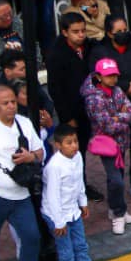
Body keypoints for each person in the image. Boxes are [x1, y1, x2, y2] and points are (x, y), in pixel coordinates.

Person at [0, 82, 46, 261]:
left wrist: (30, 157)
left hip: (21, 195)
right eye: (5, 103)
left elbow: (40, 152)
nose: (11, 106)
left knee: (32, 237)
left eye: (13, 101)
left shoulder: (24, 123)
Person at [91, 14, 131, 199]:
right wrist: (126, 86)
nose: (123, 34)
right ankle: (117, 188)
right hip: (113, 110)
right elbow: (96, 79)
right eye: (118, 31)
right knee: (116, 150)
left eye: (125, 30)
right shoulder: (100, 51)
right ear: (109, 33)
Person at [41, 125, 107, 261]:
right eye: (69, 143)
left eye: (75, 141)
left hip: (73, 210)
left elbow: (79, 182)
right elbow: (52, 196)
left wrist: (83, 202)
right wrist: (59, 222)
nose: (74, 146)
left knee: (81, 247)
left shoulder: (78, 157)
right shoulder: (54, 167)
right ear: (58, 145)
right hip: (58, 215)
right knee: (67, 252)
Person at [80, 57, 131, 235]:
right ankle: (119, 213)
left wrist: (118, 118)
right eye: (108, 75)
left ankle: (114, 209)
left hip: (121, 142)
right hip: (107, 145)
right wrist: (123, 119)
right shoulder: (94, 98)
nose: (113, 79)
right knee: (116, 180)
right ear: (98, 76)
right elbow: (106, 125)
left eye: (114, 75)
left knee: (116, 177)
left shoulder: (117, 91)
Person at [49, 11, 94, 173]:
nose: (81, 35)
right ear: (65, 32)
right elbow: (55, 89)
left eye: (83, 30)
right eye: (76, 32)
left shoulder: (89, 46)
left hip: (89, 107)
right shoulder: (56, 54)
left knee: (84, 147)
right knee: (73, 150)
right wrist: (67, 117)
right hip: (72, 110)